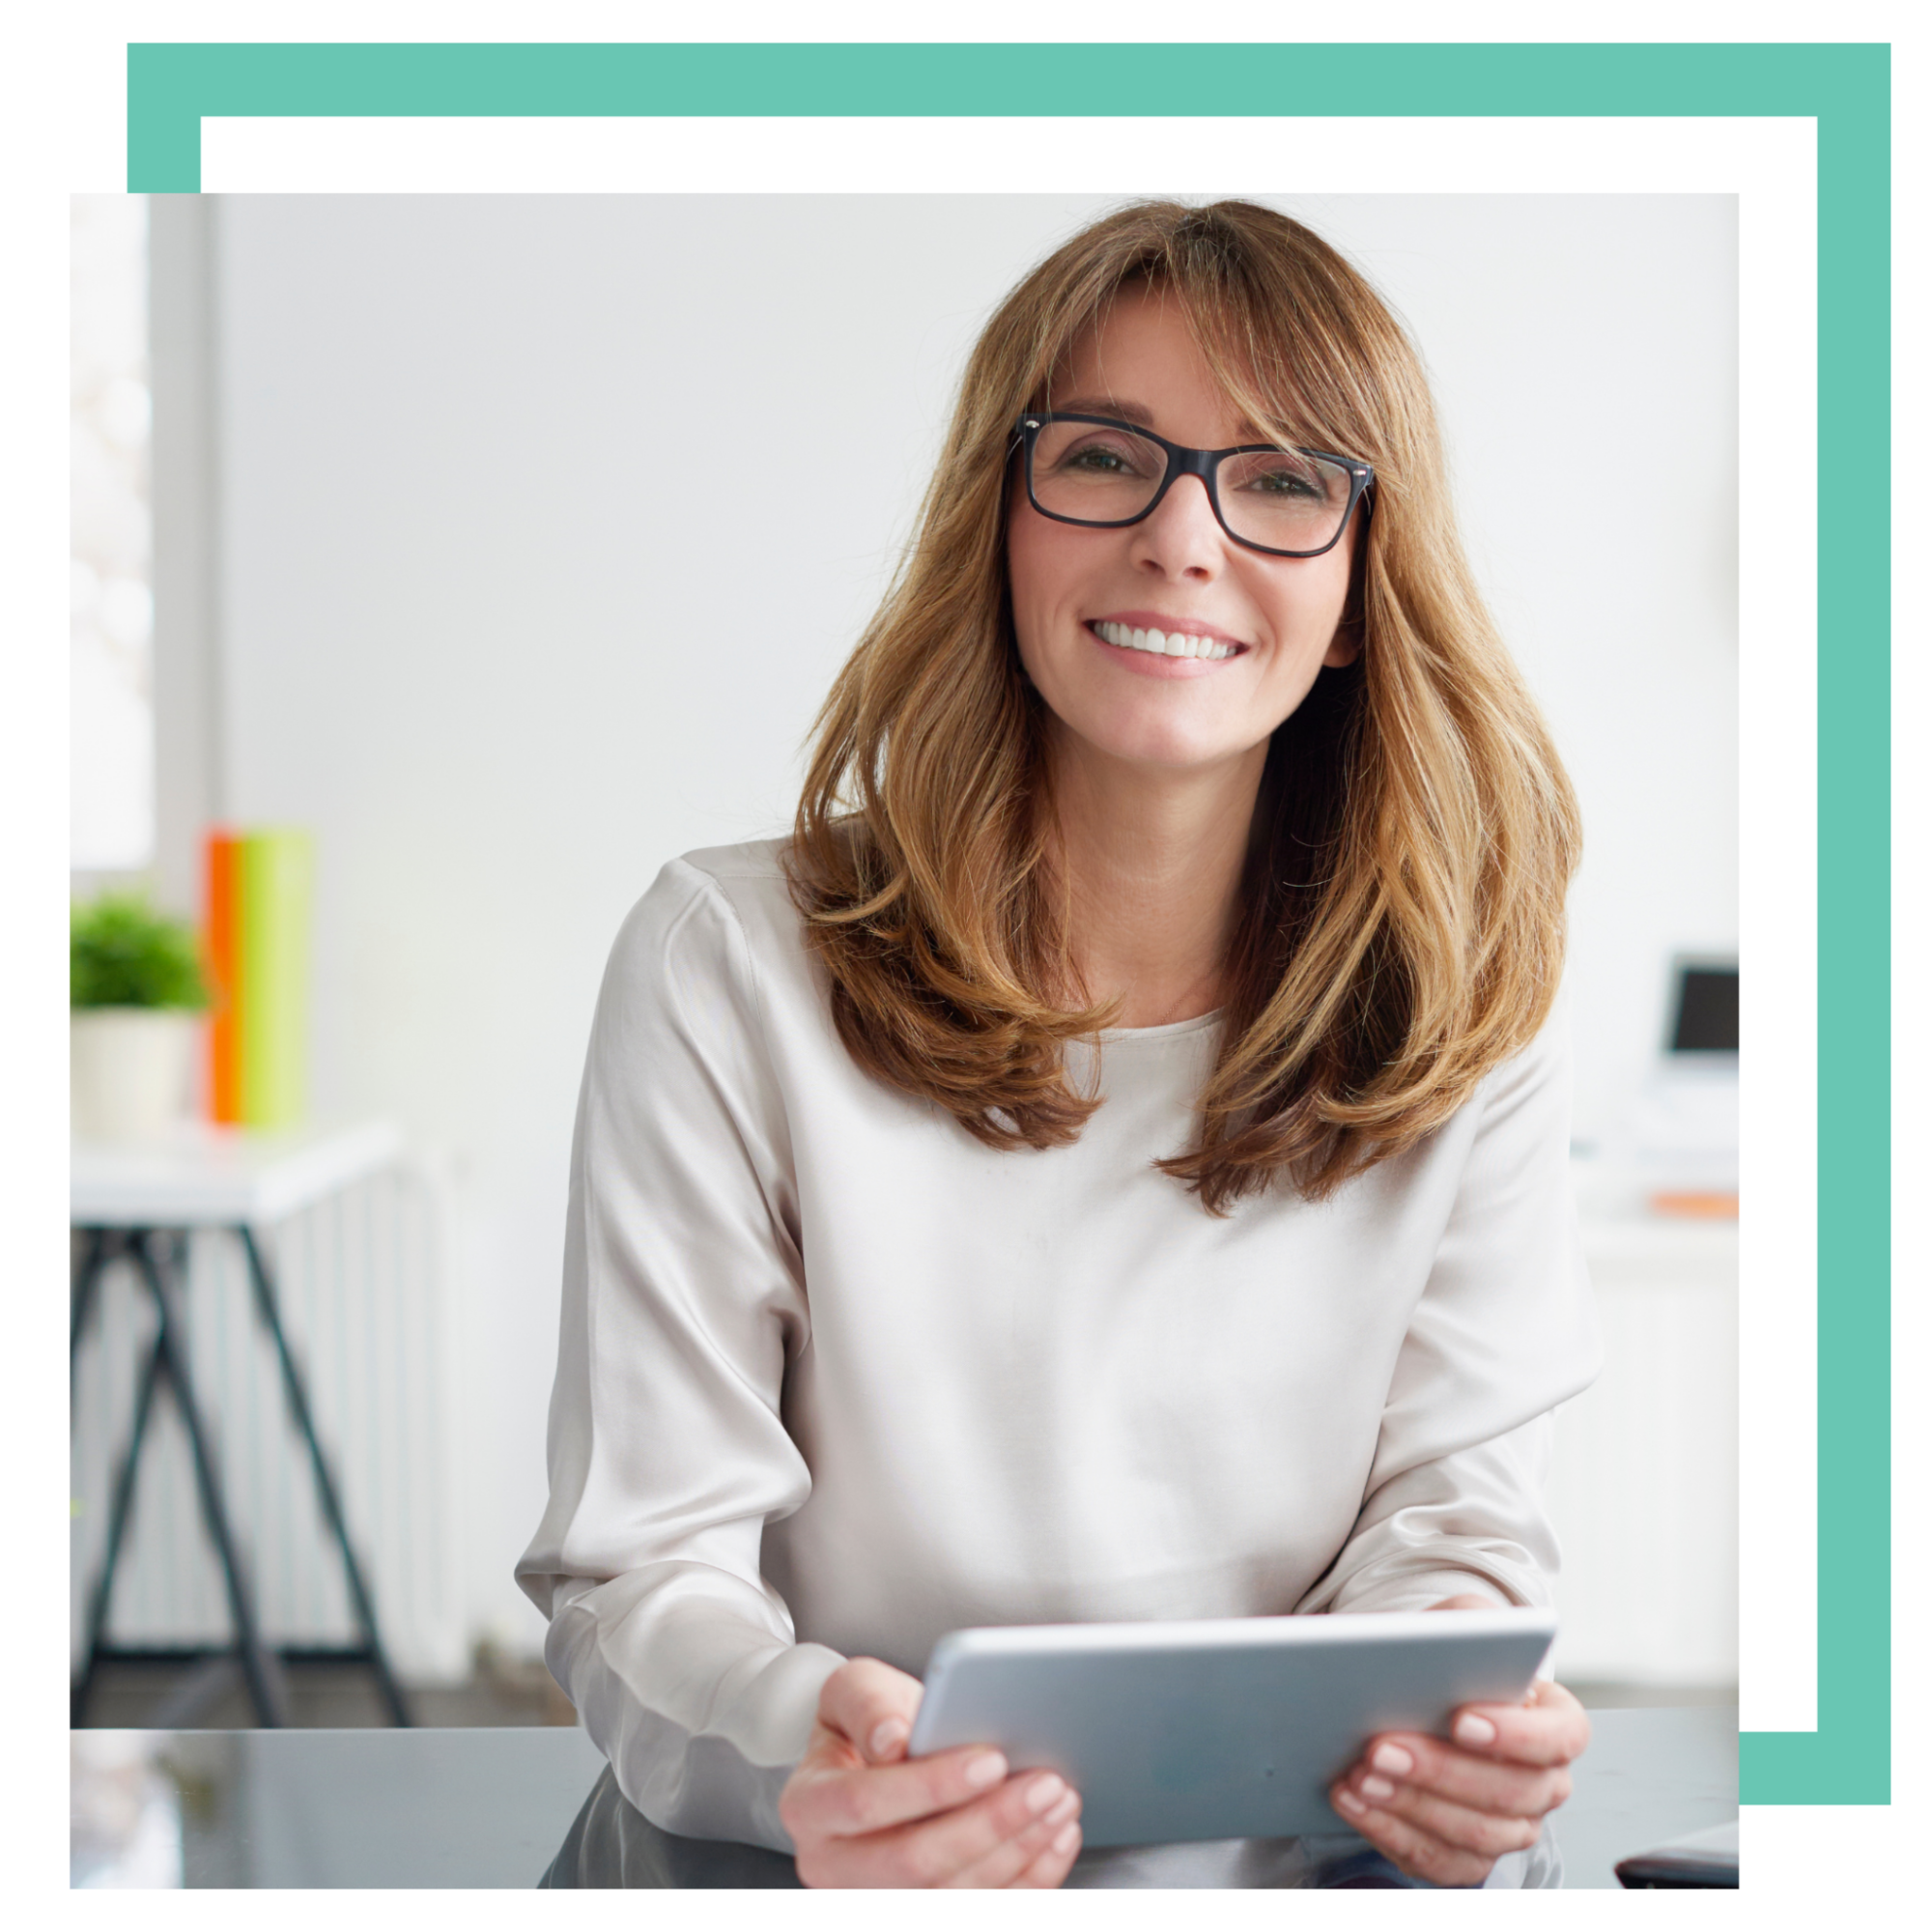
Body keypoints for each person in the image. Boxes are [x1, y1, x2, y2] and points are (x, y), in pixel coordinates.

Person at [519, 199, 1600, 1891]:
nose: (1183, 539)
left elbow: (1457, 1532)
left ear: (1365, 590)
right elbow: (643, 1573)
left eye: (1285, 480)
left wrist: (1454, 1730)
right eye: (1104, 456)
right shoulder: (726, 962)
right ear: (997, 520)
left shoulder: (1461, 1011)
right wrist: (815, 1740)